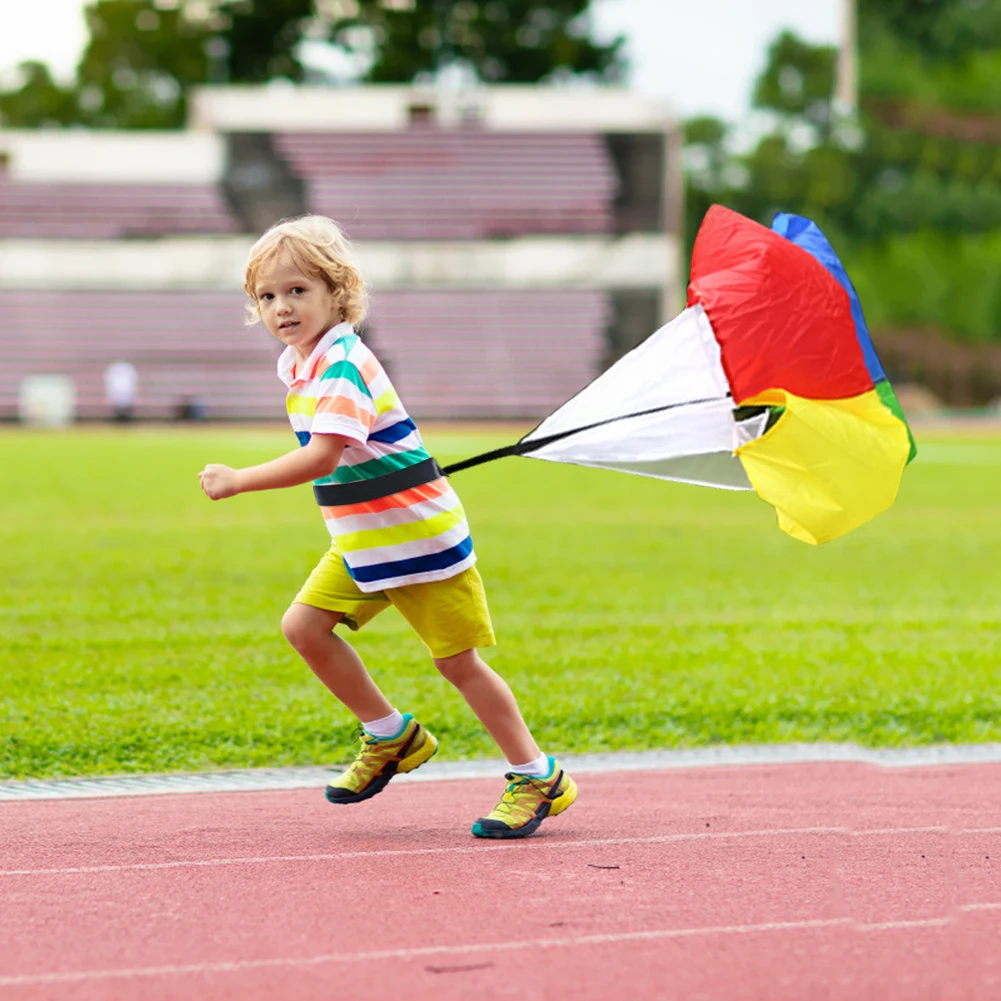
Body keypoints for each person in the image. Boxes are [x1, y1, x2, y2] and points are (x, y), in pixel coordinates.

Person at [197, 215, 577, 839]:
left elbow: (321, 457)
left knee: (459, 666)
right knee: (304, 627)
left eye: (298, 291)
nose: (281, 307)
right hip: (366, 540)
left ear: (336, 293)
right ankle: (390, 735)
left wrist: (240, 478)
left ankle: (537, 775)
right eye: (267, 296)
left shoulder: (343, 364)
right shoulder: (302, 366)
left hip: (419, 543)